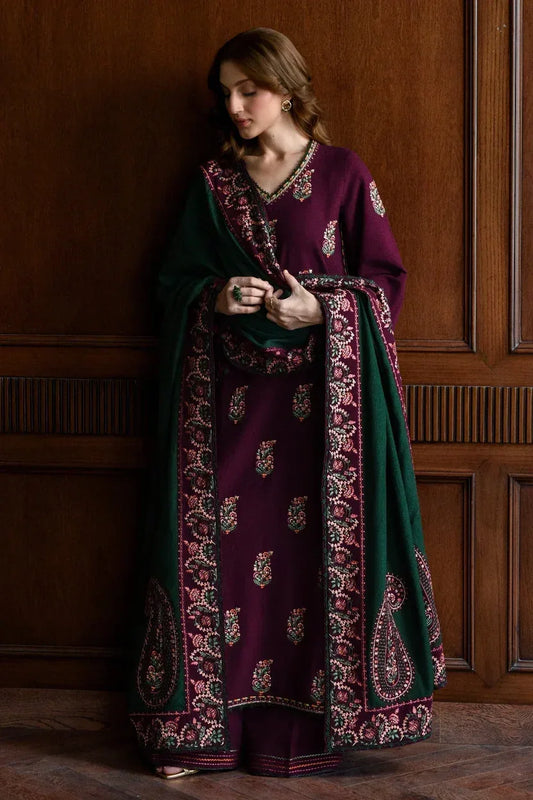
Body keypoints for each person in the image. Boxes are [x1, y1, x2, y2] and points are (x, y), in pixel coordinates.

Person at [128, 27, 446, 780]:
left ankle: (308, 729)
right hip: (229, 405)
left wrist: (323, 310)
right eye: (226, 93)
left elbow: (384, 283)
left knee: (309, 563)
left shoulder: (341, 173)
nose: (235, 106)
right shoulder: (214, 184)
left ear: (288, 87)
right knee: (228, 557)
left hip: (323, 409)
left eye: (250, 89)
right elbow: (172, 285)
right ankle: (202, 730)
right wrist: (215, 295)